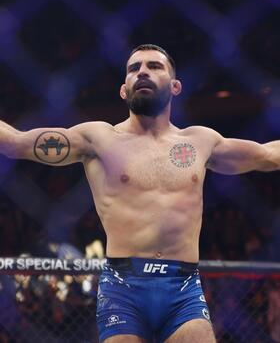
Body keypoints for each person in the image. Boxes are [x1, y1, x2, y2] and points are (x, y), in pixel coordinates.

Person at [0, 43, 279, 342]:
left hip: (182, 287)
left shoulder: (201, 141)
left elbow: (267, 155)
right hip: (123, 287)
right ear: (123, 89)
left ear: (175, 86)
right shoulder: (98, 138)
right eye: (134, 68)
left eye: (154, 66)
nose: (143, 72)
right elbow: (16, 142)